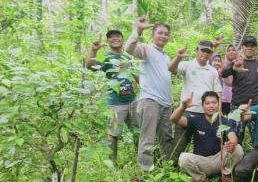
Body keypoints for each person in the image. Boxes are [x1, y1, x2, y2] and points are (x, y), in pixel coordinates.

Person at [125, 15, 174, 171]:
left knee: (167, 138)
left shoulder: (166, 56)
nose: (163, 36)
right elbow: (129, 49)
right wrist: (138, 29)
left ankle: (168, 169)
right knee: (147, 139)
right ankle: (145, 171)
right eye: (160, 33)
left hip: (166, 103)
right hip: (150, 101)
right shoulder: (146, 49)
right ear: (153, 34)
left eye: (166, 34)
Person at [85, 29, 139, 164]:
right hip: (115, 104)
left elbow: (135, 75)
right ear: (108, 41)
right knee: (113, 135)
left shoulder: (127, 56)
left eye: (117, 36)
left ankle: (140, 160)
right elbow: (90, 66)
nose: (115, 39)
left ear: (122, 39)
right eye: (111, 37)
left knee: (138, 131)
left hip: (133, 101)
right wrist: (94, 50)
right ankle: (112, 166)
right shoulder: (106, 57)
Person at [170, 91, 244, 182]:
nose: (211, 106)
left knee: (238, 148)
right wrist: (183, 107)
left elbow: (232, 136)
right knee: (183, 158)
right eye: (207, 103)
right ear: (202, 105)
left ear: (219, 104)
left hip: (219, 160)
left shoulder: (224, 120)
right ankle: (200, 179)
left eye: (214, 103)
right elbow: (174, 119)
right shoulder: (195, 119)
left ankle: (225, 175)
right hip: (202, 162)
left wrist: (232, 143)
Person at [168, 40, 223, 163]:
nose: (205, 53)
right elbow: (171, 69)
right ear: (197, 51)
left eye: (208, 51)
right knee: (179, 144)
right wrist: (178, 57)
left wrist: (218, 113)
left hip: (206, 115)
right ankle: (172, 170)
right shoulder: (187, 65)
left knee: (205, 147)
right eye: (203, 50)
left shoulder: (213, 70)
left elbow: (218, 92)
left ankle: (200, 171)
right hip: (188, 112)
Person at [221, 36, 258, 143]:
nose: (249, 48)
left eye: (252, 46)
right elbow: (223, 74)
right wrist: (233, 68)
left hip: (256, 107)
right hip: (237, 106)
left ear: (255, 48)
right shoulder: (237, 62)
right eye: (246, 46)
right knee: (236, 138)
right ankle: (235, 159)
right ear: (242, 47)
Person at [221, 44, 238, 115]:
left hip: (236, 98)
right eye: (228, 50)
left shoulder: (240, 64)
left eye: (233, 50)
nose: (231, 52)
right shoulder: (221, 63)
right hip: (223, 98)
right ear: (226, 53)